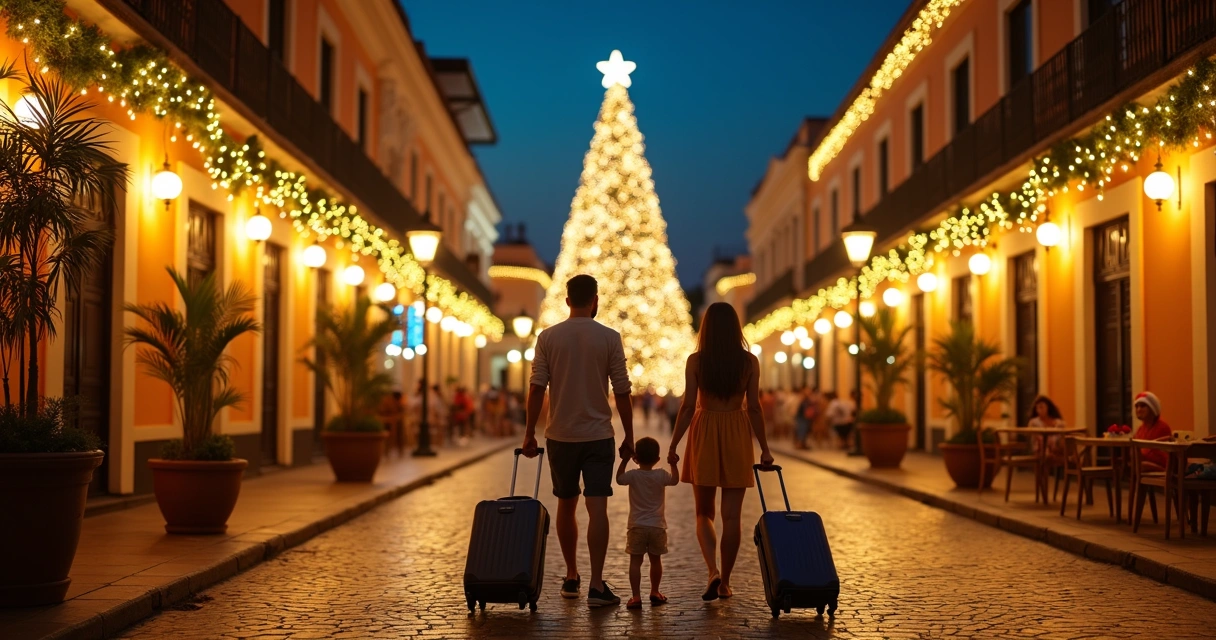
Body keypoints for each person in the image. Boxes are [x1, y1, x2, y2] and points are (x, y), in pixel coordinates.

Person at [522, 274, 633, 608]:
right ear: (595, 300)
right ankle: (597, 584)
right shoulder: (610, 338)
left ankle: (571, 576)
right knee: (597, 507)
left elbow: (537, 387)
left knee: (566, 504)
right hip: (599, 435)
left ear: (567, 300)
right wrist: (629, 434)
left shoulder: (548, 337)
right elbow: (623, 390)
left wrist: (529, 432)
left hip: (560, 435)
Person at [668, 302, 773, 602]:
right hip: (737, 433)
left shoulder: (696, 362)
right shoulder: (749, 362)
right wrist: (764, 449)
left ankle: (712, 570)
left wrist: (675, 444)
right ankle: (725, 581)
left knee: (703, 513)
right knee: (732, 517)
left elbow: (688, 406)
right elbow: (753, 407)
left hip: (705, 430)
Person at [615, 437, 679, 610]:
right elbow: (674, 480)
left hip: (636, 526)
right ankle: (655, 591)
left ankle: (636, 597)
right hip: (657, 526)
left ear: (636, 458)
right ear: (657, 459)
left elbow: (619, 479)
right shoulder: (661, 474)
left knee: (635, 563)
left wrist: (624, 460)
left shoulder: (633, 475)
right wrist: (673, 464)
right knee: (655, 561)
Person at [1132, 391, 1172, 470]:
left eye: (1143, 406)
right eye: (1137, 406)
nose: (1139, 409)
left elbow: (1159, 456)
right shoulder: (1140, 429)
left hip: (1163, 467)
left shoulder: (1162, 427)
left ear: (1152, 408)